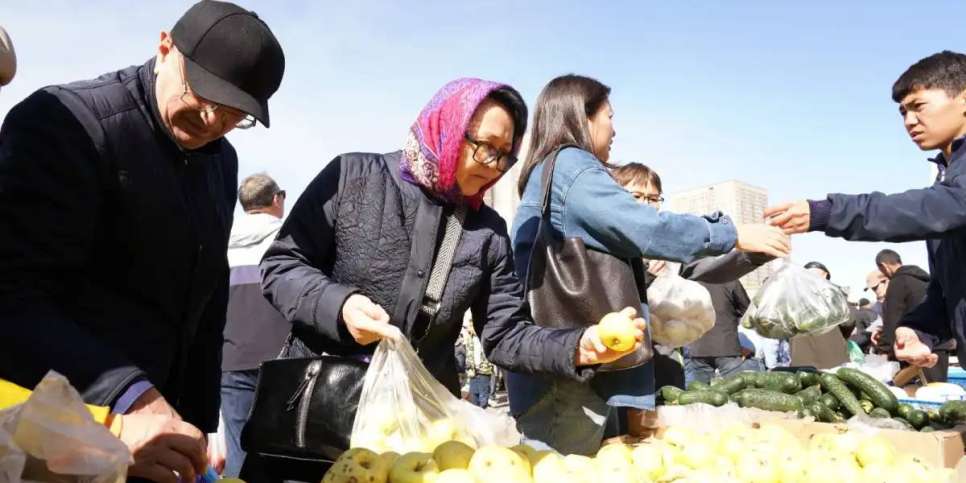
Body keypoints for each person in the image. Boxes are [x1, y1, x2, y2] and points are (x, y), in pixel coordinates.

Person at [255, 78, 646, 479]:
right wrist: (340, 306)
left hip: (416, 437)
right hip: (315, 419)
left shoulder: (487, 231)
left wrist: (578, 346)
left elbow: (506, 334)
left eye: (505, 156)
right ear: (448, 126)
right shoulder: (353, 177)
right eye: (486, 147)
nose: (494, 166)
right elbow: (281, 264)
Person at [0, 2, 285, 480]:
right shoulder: (68, 124)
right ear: (165, 48)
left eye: (234, 115)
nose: (210, 120)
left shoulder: (220, 160)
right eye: (203, 94)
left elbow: (207, 299)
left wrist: (198, 425)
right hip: (58, 431)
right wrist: (128, 396)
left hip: (156, 436)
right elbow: (14, 296)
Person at [509, 75, 791, 454]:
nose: (614, 130)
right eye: (610, 116)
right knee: (563, 467)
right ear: (582, 116)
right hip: (570, 374)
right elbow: (645, 227)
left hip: (562, 365)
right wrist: (731, 233)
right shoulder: (571, 167)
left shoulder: (549, 172)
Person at [767, 51, 966, 371]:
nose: (909, 121)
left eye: (918, 106)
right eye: (903, 112)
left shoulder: (949, 195)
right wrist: (918, 329)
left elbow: (936, 206)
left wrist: (829, 212)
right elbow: (949, 292)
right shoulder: (947, 178)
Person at [219, 173, 290, 477]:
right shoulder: (290, 239)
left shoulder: (223, 241)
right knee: (288, 450)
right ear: (276, 199)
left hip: (232, 358)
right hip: (284, 362)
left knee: (240, 451)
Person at [871, 249, 948, 381]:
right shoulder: (926, 280)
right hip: (940, 344)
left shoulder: (898, 281)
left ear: (884, 266)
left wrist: (884, 348)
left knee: (919, 390)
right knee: (938, 388)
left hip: (914, 350)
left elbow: (892, 319)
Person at [788, 262, 851, 369]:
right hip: (831, 361)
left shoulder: (790, 299)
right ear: (825, 276)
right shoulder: (833, 295)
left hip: (801, 362)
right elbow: (848, 322)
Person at [460, 317, 495, 409]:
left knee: (483, 395)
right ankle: (477, 413)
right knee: (473, 396)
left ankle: (483, 412)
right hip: (473, 371)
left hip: (484, 370)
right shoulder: (470, 339)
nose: (469, 328)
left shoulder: (485, 338)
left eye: (470, 326)